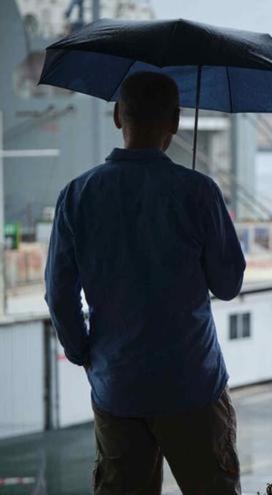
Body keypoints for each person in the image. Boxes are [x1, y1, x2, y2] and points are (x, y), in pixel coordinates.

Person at [44, 71, 246, 495]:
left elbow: (59, 292)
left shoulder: (77, 194)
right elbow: (228, 285)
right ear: (174, 121)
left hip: (118, 385)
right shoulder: (198, 192)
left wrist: (84, 352)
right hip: (192, 381)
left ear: (119, 115)